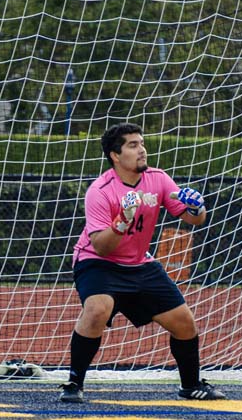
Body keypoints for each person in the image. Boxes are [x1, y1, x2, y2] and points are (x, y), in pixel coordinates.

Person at [59, 122, 226, 402]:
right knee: (99, 309)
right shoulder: (99, 190)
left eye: (142, 143)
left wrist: (197, 208)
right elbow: (101, 246)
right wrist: (122, 222)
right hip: (98, 262)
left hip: (140, 263)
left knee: (184, 323)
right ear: (115, 155)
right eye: (133, 145)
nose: (142, 150)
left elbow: (193, 219)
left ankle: (191, 385)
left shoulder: (158, 179)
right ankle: (74, 383)